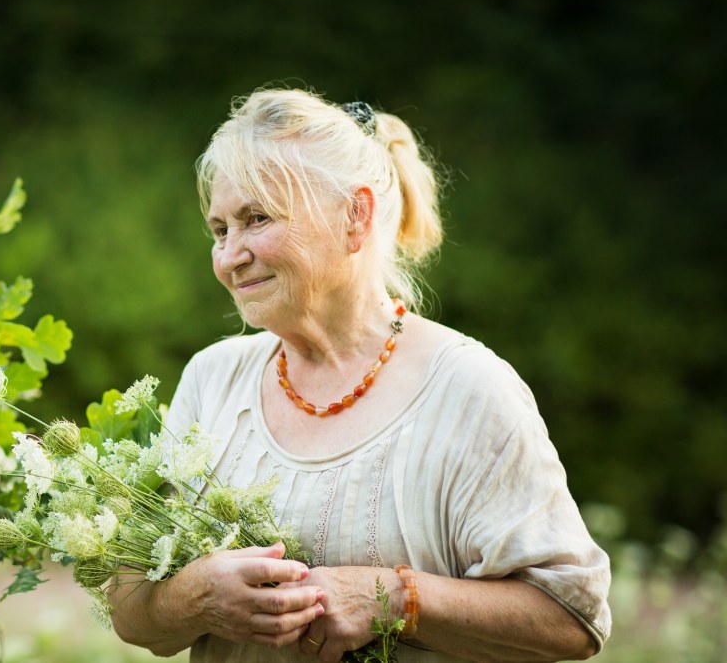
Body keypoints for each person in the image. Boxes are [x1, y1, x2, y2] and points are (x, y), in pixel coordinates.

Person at [108, 88, 612, 663]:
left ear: (356, 217)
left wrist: (394, 599)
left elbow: (574, 620)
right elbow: (132, 614)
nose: (229, 256)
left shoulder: (469, 390)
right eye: (220, 229)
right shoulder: (211, 379)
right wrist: (193, 597)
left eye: (257, 218)